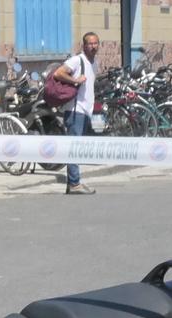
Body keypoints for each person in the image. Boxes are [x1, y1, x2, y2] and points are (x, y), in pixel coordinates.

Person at [51, 32, 99, 196]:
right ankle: (74, 183)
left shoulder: (94, 62)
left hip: (86, 110)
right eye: (90, 44)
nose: (93, 46)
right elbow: (58, 73)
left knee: (77, 148)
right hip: (75, 110)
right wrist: (75, 80)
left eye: (96, 43)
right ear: (84, 45)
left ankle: (73, 182)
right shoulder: (77, 60)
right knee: (74, 147)